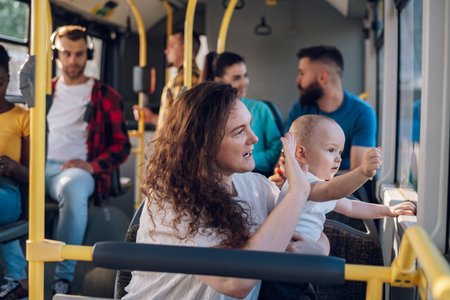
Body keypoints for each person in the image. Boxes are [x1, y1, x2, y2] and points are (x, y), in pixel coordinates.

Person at [124, 82, 329, 300]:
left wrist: (319, 250)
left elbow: (307, 224)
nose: (254, 138)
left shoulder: (256, 186)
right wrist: (297, 192)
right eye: (239, 131)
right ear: (203, 144)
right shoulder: (172, 201)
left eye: (250, 126)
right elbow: (235, 282)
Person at [47, 25, 131, 294]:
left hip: (77, 170)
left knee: (72, 189)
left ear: (88, 54)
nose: (73, 60)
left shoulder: (105, 96)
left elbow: (121, 146)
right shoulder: (43, 92)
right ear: (56, 55)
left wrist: (91, 166)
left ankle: (64, 276)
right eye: (67, 53)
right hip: (37, 166)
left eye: (79, 54)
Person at [279, 115, 416, 241]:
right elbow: (330, 191)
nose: (338, 158)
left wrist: (388, 210)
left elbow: (351, 206)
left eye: (340, 152)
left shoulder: (315, 184)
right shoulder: (301, 183)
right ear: (301, 153)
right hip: (291, 257)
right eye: (331, 150)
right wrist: (363, 172)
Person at [285, 45, 376, 172]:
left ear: (322, 77)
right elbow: (287, 156)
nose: (298, 79)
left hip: (343, 188)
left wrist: (313, 181)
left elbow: (357, 172)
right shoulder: (300, 108)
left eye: (302, 73)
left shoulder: (363, 113)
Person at [201, 51, 282, 176]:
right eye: (237, 78)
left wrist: (246, 158)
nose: (244, 82)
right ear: (219, 81)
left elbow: (277, 150)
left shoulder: (261, 109)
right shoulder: (209, 114)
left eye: (245, 76)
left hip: (255, 174)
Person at [0, 45, 29, 300]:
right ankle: (17, 280)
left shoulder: (22, 117)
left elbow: (32, 175)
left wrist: (14, 167)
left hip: (8, 192)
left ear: (8, 79)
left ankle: (18, 281)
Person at [133, 28, 201, 128]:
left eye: (172, 46)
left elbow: (179, 123)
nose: (166, 51)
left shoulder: (185, 77)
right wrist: (152, 118)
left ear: (185, 47)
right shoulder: (186, 74)